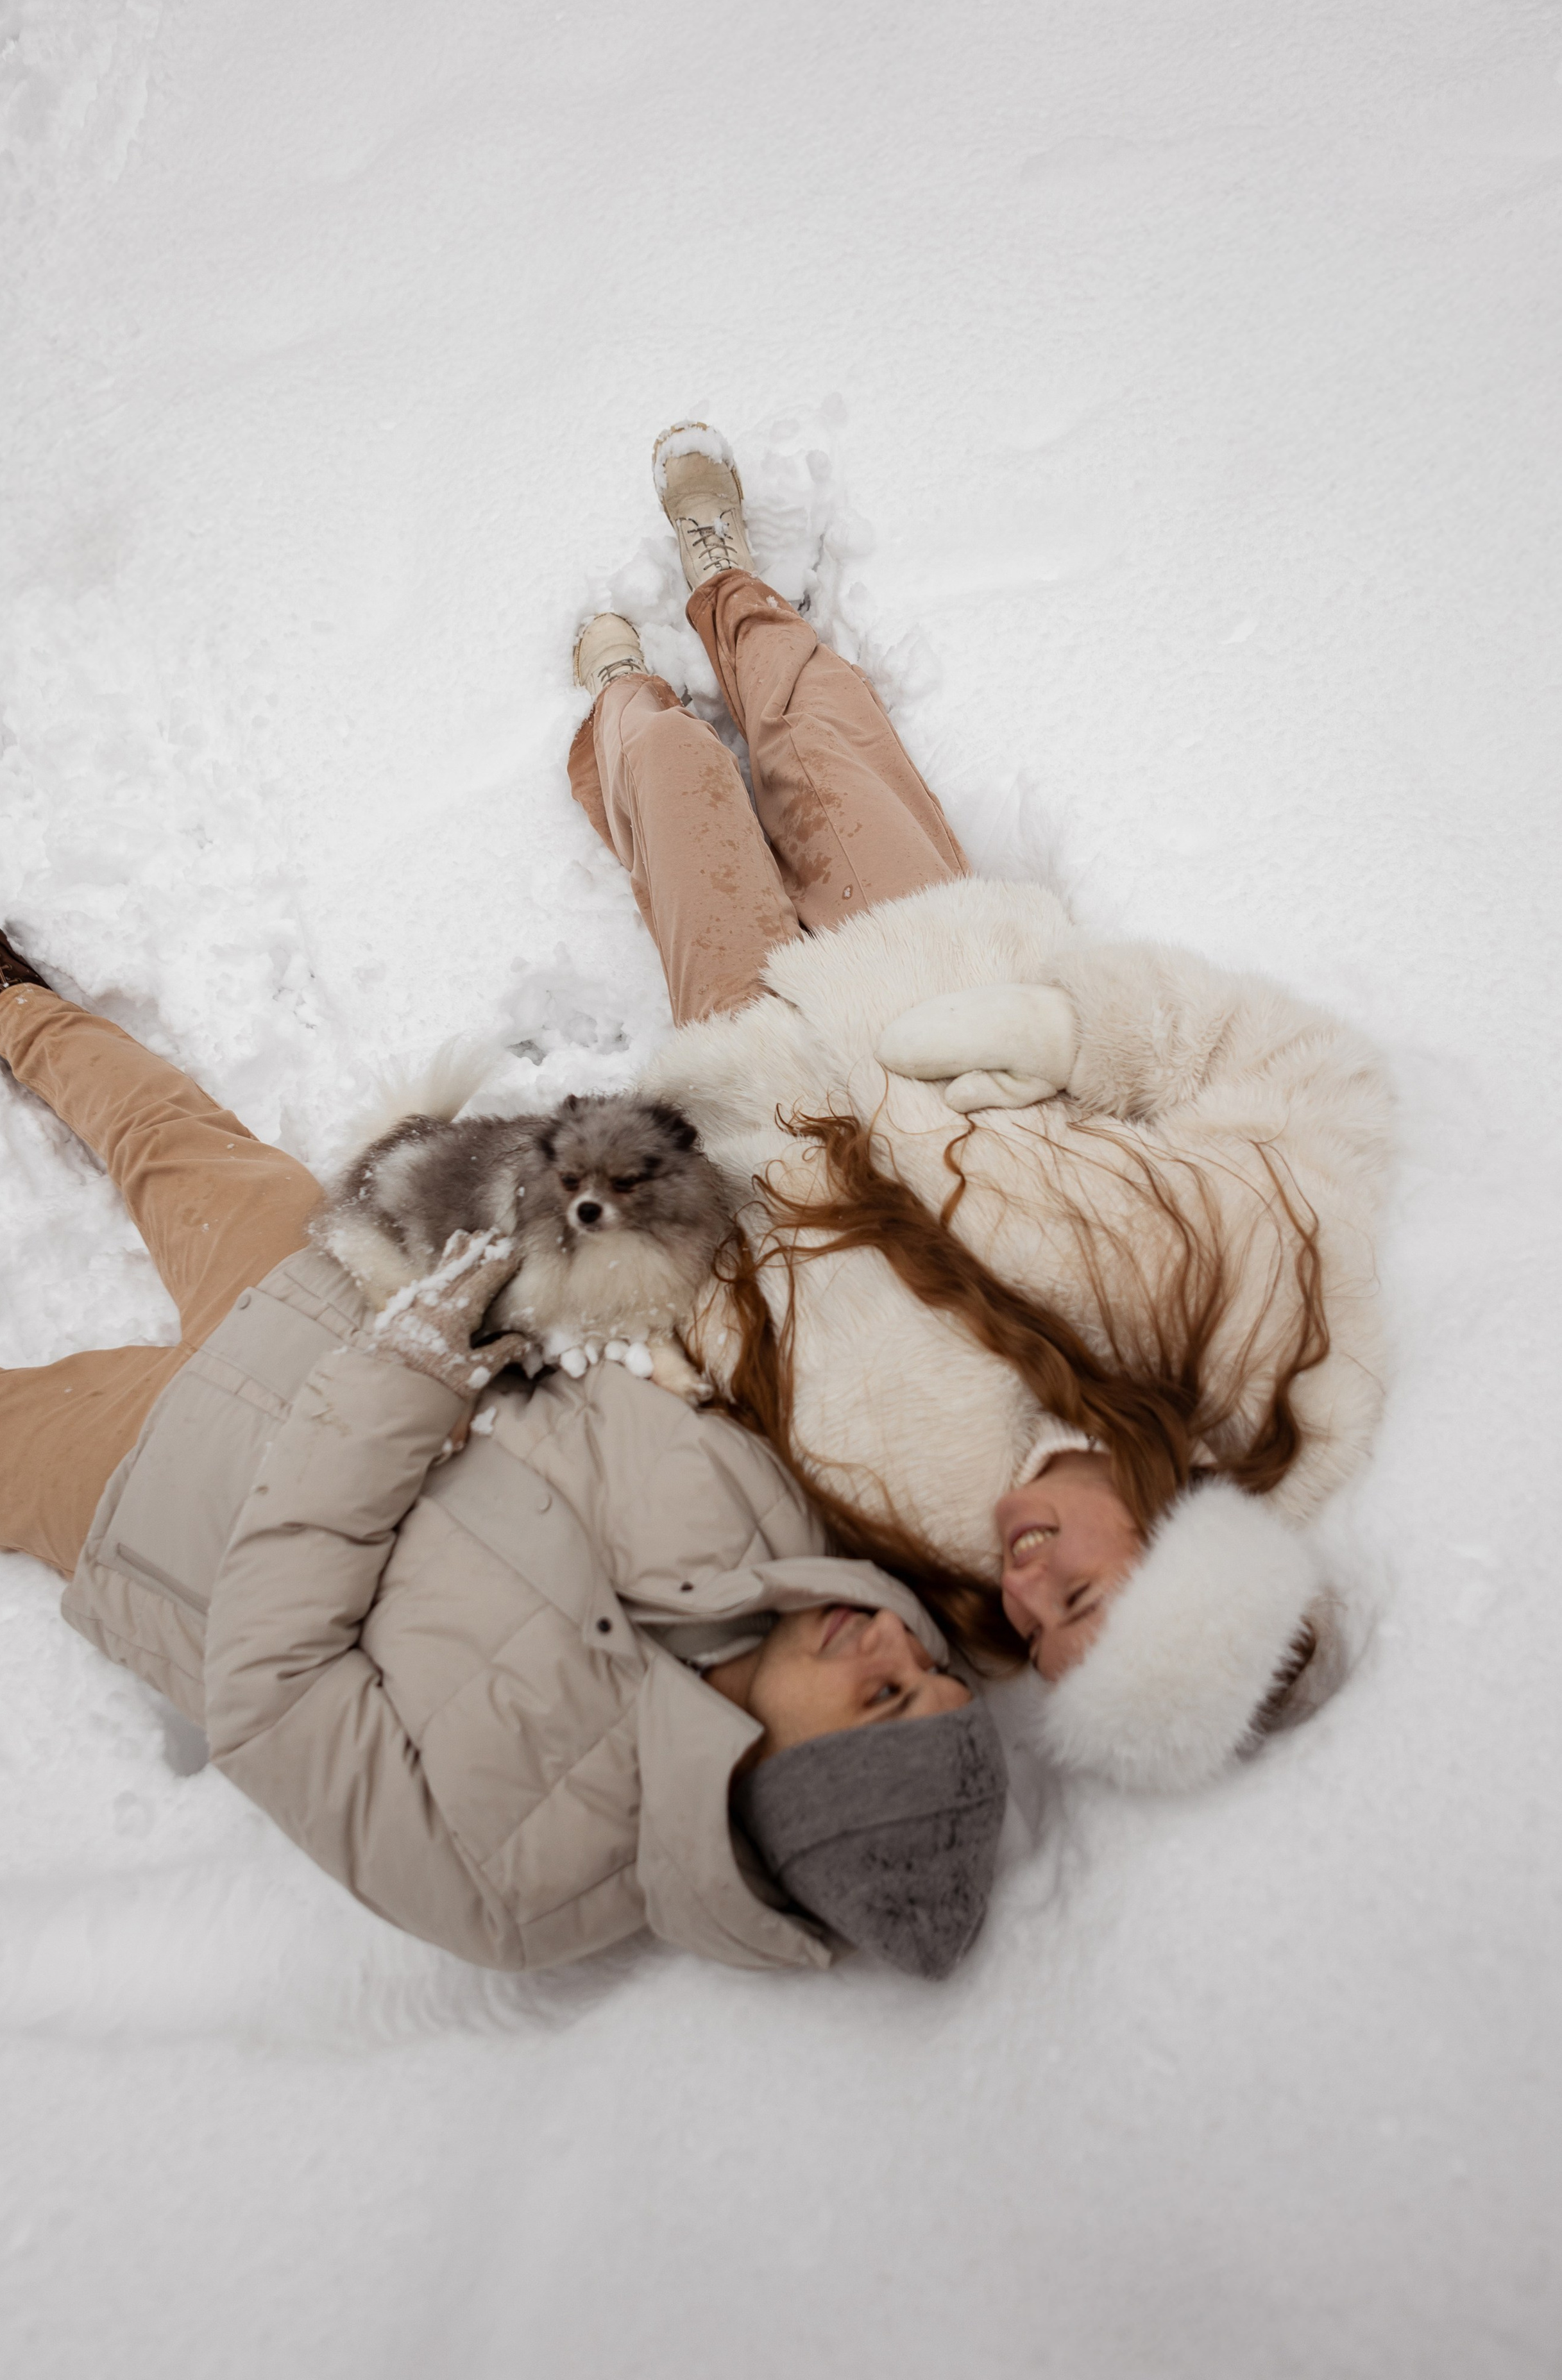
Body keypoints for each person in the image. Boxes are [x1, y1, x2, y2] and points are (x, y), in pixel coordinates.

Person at [0, 884, 1010, 1982]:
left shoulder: (515, 1890)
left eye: (883, 1696)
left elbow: (266, 1689)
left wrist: (404, 1384)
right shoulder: (775, 1535)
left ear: (794, 1788)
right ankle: (3, 992)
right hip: (339, 1288)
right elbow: (597, 1370)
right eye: (929, 1668)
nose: (892, 1642)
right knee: (168, 1132)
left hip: (164, 1482)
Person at [568, 425, 1395, 1794]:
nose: (1023, 1599)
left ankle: (620, 707)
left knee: (676, 781)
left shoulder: (933, 1545)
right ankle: (727, 584)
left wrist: (666, 1308)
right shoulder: (1261, 1347)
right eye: (1078, 1600)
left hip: (754, 1087)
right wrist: (1072, 1031)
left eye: (1040, 1639)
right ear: (1180, 1539)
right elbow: (1316, 1084)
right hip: (940, 979)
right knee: (820, 729)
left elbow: (750, 1381)